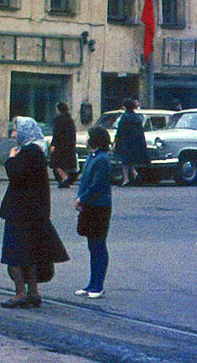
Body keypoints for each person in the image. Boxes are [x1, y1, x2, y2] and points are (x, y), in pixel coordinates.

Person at [0, 116, 69, 309]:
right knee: (29, 255)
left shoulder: (28, 153)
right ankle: (33, 292)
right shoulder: (35, 152)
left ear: (24, 132)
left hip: (20, 212)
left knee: (14, 255)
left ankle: (21, 292)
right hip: (31, 212)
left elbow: (16, 176)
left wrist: (10, 159)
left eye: (14, 130)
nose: (12, 134)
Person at [74, 126, 113, 299]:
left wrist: (82, 198)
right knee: (92, 246)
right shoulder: (92, 156)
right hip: (90, 205)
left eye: (90, 137)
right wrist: (80, 198)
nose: (87, 139)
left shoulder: (102, 159)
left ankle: (98, 285)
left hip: (99, 206)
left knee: (98, 246)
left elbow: (98, 184)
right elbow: (84, 181)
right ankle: (92, 283)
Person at [113, 99, 148, 185]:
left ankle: (126, 179)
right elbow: (140, 130)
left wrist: (115, 141)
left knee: (124, 161)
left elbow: (120, 130)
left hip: (125, 141)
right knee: (129, 160)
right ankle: (135, 174)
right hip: (135, 141)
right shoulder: (137, 117)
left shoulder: (124, 117)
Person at [49, 102, 78, 188]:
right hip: (69, 145)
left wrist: (53, 144)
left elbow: (56, 134)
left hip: (60, 145)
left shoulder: (58, 119)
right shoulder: (70, 119)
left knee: (56, 164)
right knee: (65, 164)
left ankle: (64, 178)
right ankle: (65, 177)